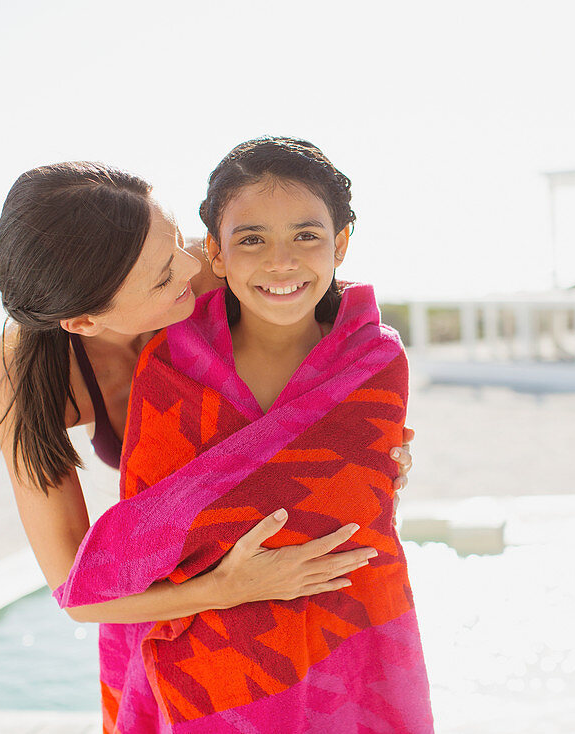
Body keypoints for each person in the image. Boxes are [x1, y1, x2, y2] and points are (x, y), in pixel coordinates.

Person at [57, 137, 433, 731]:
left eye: (306, 236)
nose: (280, 261)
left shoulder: (373, 359)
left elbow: (354, 514)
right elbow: (146, 536)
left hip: (350, 642)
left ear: (340, 245)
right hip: (208, 666)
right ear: (216, 251)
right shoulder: (171, 366)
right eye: (251, 239)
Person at [0, 161, 414, 626]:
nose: (192, 263)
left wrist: (360, 442)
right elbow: (76, 591)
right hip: (170, 592)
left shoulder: (217, 273)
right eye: (165, 273)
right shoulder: (24, 376)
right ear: (86, 322)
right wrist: (224, 589)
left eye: (174, 239)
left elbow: (326, 341)